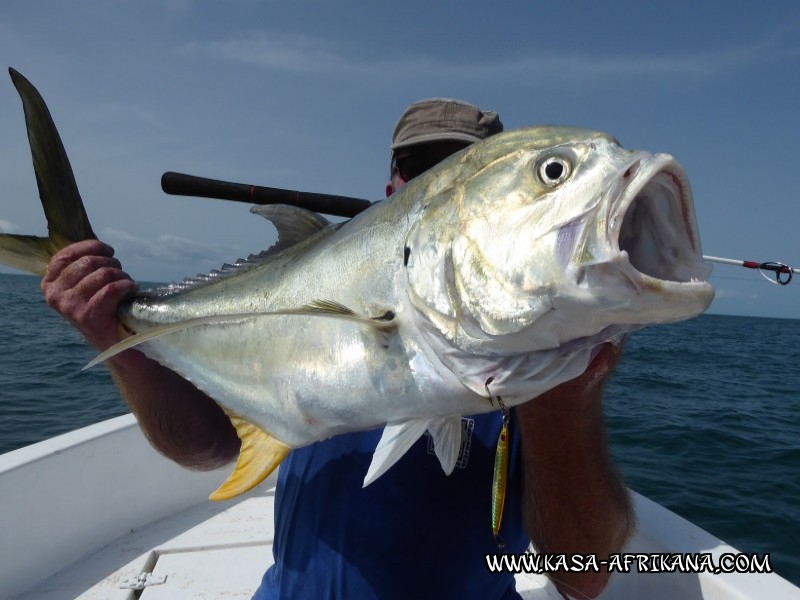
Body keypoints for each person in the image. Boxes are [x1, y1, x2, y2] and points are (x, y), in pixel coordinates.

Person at [41, 98, 632, 599]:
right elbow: (209, 448)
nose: (437, 185)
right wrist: (113, 333)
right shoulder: (336, 279)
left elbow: (582, 576)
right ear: (392, 187)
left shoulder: (541, 338)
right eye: (420, 170)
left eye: (460, 169)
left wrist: (566, 395)